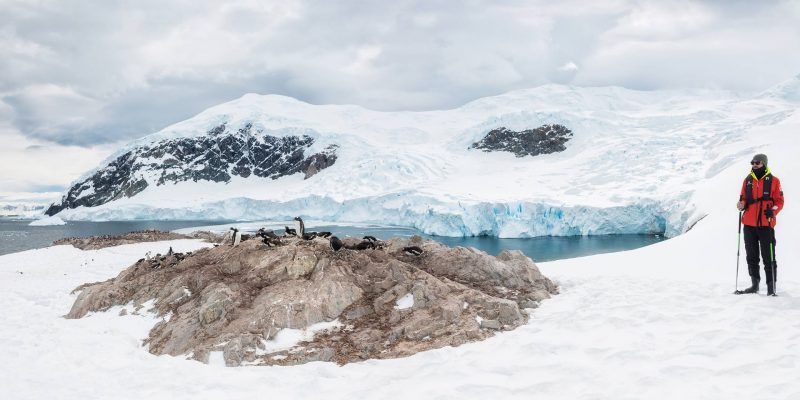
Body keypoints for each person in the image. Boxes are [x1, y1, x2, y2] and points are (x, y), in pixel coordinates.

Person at [735, 154, 784, 296]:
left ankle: (771, 288)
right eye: (752, 162)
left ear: (764, 164)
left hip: (766, 224)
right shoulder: (747, 180)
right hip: (748, 224)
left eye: (757, 162)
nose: (754, 165)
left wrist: (773, 211)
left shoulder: (774, 181)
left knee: (769, 256)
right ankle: (754, 285)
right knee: (751, 256)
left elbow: (779, 201)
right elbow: (743, 199)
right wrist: (741, 204)